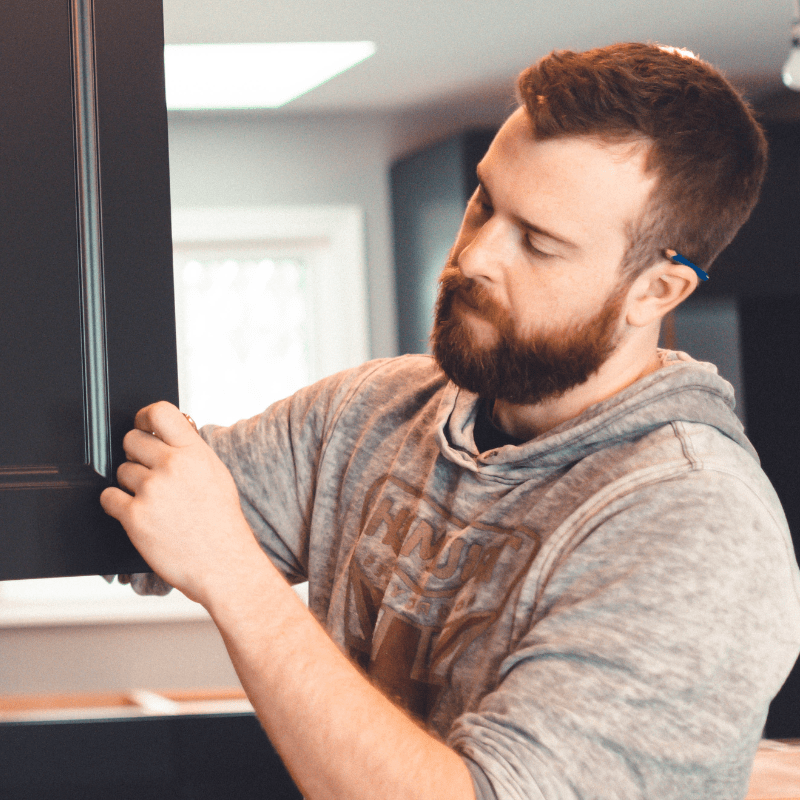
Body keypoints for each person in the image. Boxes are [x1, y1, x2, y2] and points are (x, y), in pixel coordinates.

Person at [101, 43, 800, 800]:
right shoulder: (373, 413)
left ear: (655, 291)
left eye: (538, 241)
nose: (475, 255)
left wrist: (232, 576)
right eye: (484, 202)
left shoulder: (695, 523)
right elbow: (133, 506)